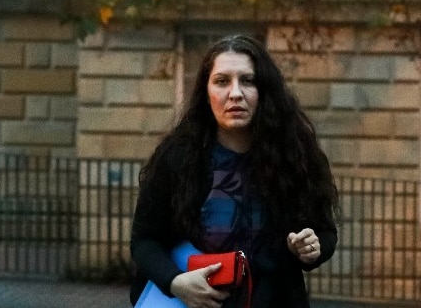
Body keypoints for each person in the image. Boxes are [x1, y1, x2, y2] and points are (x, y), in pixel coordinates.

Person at [130, 34, 339, 308]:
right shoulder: (178, 157)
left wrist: (312, 248)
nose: (236, 93)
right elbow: (145, 241)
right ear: (206, 93)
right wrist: (175, 282)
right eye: (222, 81)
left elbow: (325, 232)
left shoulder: (295, 156)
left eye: (248, 81)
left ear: (263, 91)